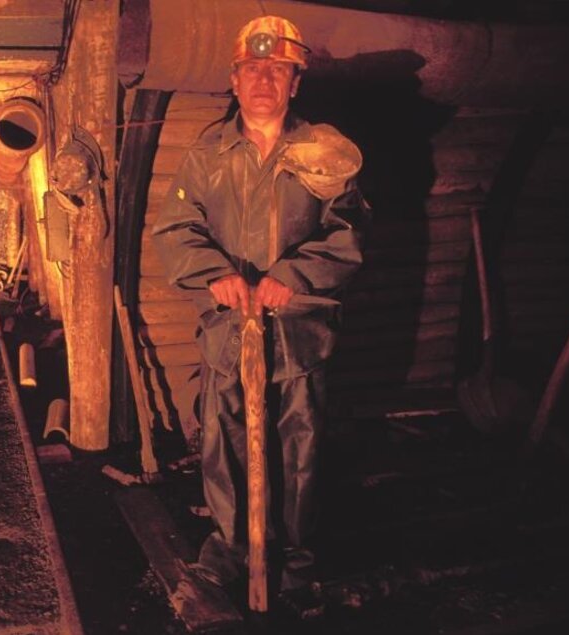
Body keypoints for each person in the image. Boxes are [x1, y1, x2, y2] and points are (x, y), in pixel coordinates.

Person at [151, 14, 371, 611]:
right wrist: (215, 274)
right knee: (224, 443)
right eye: (253, 68)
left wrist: (291, 278)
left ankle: (294, 561)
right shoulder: (207, 154)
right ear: (234, 78)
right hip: (229, 332)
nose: (264, 80)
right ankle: (231, 550)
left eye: (278, 70)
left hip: (298, 335)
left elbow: (347, 235)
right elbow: (176, 227)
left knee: (298, 448)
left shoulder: (324, 153)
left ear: (295, 83)